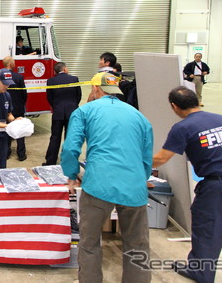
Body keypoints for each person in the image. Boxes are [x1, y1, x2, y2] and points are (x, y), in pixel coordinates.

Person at [153, 87, 222, 283]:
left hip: (220, 189)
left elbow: (161, 159)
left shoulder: (183, 127)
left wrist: (134, 162)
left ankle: (201, 272)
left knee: (208, 231)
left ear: (174, 106)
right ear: (197, 101)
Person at [61, 72, 153, 283]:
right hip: (135, 188)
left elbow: (70, 149)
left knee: (90, 242)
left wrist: (72, 175)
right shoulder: (139, 116)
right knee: (137, 244)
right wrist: (140, 178)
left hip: (99, 185)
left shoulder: (84, 111)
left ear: (95, 89)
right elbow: (147, 158)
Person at [44, 62, 81, 165]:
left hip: (58, 112)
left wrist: (56, 107)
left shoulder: (50, 81)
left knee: (55, 137)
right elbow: (78, 95)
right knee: (70, 137)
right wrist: (73, 105)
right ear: (65, 69)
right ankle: (68, 161)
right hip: (72, 112)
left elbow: (49, 97)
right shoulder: (74, 79)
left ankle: (50, 162)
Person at [3, 56, 28, 161]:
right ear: (10, 64)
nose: (15, 63)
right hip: (18, 108)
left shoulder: (0, 77)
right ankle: (21, 154)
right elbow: (24, 94)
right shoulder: (18, 77)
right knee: (20, 131)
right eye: (13, 62)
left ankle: (6, 153)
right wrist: (22, 104)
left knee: (6, 130)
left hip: (4, 108)